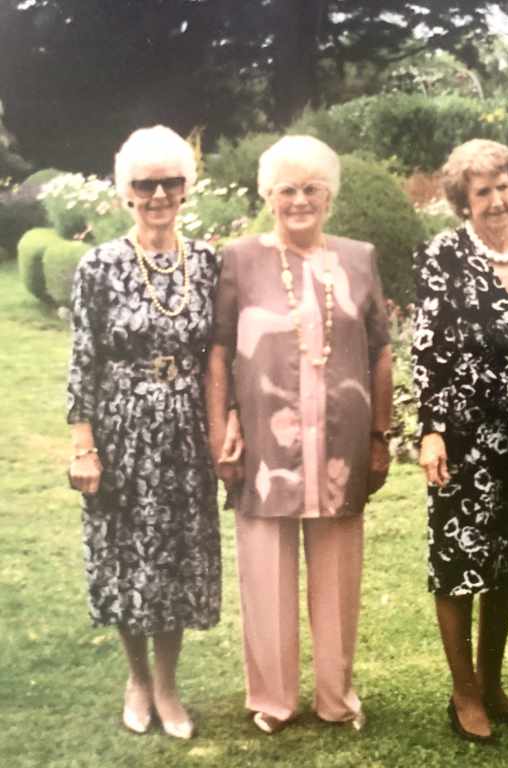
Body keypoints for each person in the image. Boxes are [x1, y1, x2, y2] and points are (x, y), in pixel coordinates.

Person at [206, 135, 393, 735]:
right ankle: (273, 699)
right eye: (286, 189)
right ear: (268, 196)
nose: (299, 200)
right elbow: (218, 351)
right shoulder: (240, 259)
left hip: (341, 440)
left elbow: (381, 351)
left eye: (312, 188)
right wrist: (219, 429)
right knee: (265, 568)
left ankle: (337, 697)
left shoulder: (359, 258)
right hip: (266, 441)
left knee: (338, 572)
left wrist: (381, 435)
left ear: (329, 196)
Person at [66, 125, 220, 740]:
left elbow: (220, 355)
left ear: (187, 187)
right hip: (121, 430)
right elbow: (83, 361)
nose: (159, 195)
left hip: (186, 431)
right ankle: (136, 679)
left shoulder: (206, 262)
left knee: (176, 556)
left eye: (170, 182)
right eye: (145, 184)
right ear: (125, 191)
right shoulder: (99, 265)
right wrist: (84, 447)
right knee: (127, 559)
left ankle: (168, 685)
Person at [413, 139, 508, 743]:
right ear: (463, 201)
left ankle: (493, 683)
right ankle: (464, 691)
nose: (496, 200)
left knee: (506, 557)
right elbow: (427, 347)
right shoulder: (442, 255)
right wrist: (431, 430)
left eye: (503, 187)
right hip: (463, 432)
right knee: (458, 557)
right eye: (482, 192)